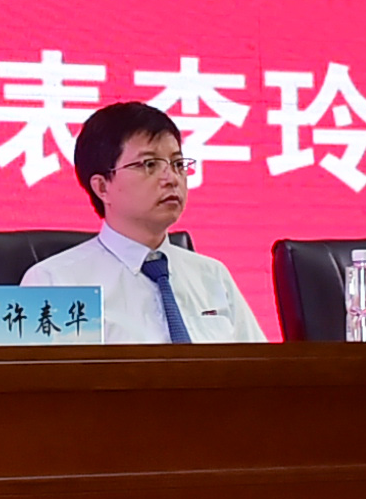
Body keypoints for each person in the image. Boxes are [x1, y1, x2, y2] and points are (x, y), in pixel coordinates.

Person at [18, 101, 266, 341]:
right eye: (149, 164)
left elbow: (260, 365)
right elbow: (29, 370)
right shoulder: (51, 283)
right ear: (102, 187)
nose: (171, 178)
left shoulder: (212, 276)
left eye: (178, 164)